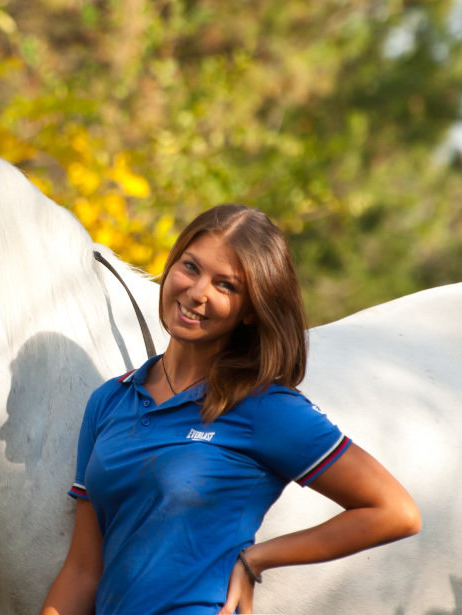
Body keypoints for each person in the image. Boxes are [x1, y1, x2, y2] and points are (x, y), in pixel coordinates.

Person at [40, 204, 421, 615]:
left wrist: (256, 559)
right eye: (191, 267)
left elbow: (395, 511)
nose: (198, 292)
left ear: (251, 311)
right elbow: (82, 571)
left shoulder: (265, 409)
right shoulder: (110, 400)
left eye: (226, 286)